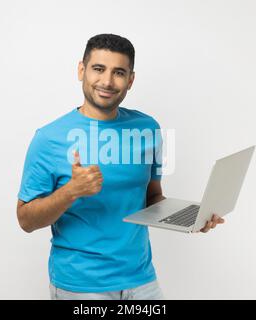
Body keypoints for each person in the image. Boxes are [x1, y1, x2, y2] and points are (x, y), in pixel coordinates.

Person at [16, 33, 225, 300]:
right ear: (81, 71)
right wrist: (71, 191)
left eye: (118, 72)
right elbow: (25, 220)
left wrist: (192, 217)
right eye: (98, 69)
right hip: (82, 285)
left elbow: (152, 197)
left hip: (141, 280)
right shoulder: (49, 138)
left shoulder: (148, 128)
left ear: (131, 80)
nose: (107, 81)